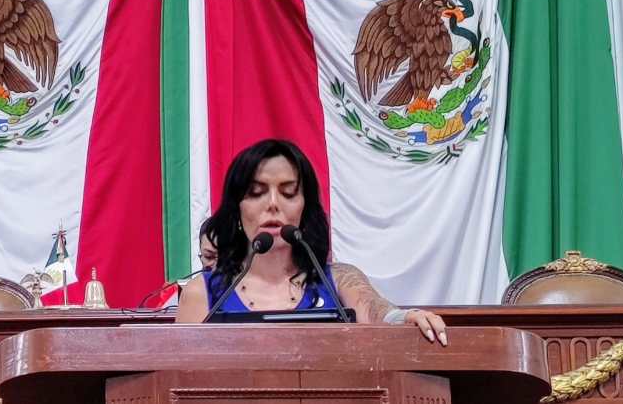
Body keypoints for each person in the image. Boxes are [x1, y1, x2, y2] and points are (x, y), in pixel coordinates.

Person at [176, 139, 447, 345]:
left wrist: (403, 318)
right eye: (257, 192)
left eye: (288, 193)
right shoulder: (203, 293)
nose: (273, 204)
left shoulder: (338, 280)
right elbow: (176, 382)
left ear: (305, 209)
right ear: (237, 209)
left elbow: (376, 312)